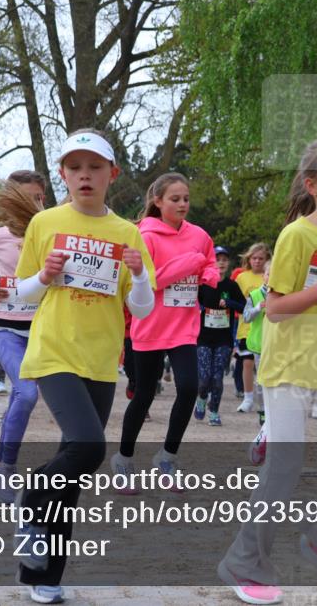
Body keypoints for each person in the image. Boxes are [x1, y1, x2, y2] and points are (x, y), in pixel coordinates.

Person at [218, 138, 317, 604]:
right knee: (283, 473)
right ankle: (244, 563)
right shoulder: (295, 237)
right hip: (288, 368)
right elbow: (275, 310)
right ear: (312, 185)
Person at [12, 129, 154, 603]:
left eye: (95, 167)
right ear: (63, 175)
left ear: (112, 174)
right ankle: (28, 501)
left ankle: (44, 577)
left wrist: (136, 273)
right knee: (90, 447)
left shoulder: (128, 233)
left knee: (71, 476)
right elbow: (23, 292)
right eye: (75, 168)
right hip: (54, 350)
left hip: (101, 359)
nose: (85, 175)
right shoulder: (46, 222)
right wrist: (44, 275)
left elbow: (144, 306)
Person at [112, 172, 219, 494]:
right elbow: (151, 280)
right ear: (158, 201)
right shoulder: (144, 236)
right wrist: (191, 263)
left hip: (184, 326)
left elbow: (210, 264)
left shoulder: (199, 235)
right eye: (175, 199)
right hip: (150, 325)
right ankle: (123, 459)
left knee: (189, 387)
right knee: (143, 394)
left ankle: (167, 458)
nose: (183, 204)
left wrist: (208, 274)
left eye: (186, 198)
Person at [0, 171, 45, 504]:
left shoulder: (50, 233)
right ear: (12, 201)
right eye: (30, 198)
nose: (37, 204)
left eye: (41, 197)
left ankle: (0, 460)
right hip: (4, 328)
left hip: (42, 330)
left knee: (22, 396)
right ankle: (5, 470)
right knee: (27, 394)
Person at [194, 246, 245, 426]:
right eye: (217, 259)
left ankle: (214, 411)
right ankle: (201, 398)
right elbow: (191, 304)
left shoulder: (232, 286)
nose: (221, 263)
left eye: (224, 259)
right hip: (203, 338)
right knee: (204, 378)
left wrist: (230, 303)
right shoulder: (203, 284)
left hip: (224, 339)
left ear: (228, 263)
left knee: (217, 378)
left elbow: (244, 307)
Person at [234, 243, 270, 412]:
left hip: (265, 330)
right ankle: (248, 398)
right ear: (249, 259)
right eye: (254, 258)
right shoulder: (242, 277)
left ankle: (264, 403)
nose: (257, 261)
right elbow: (239, 302)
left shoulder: (270, 276)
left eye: (261, 258)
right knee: (247, 364)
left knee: (263, 370)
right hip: (245, 327)